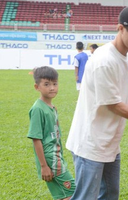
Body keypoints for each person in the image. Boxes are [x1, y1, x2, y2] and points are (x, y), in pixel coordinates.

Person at [66, 6, 128, 200]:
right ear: (121, 28)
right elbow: (113, 105)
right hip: (91, 144)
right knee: (85, 197)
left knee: (109, 195)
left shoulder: (126, 58)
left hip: (110, 144)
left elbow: (125, 98)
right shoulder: (104, 61)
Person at [27, 66, 75, 200]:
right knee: (72, 192)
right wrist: (43, 166)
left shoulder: (52, 107)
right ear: (37, 87)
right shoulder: (37, 109)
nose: (52, 88)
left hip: (57, 156)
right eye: (46, 84)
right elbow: (36, 138)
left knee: (62, 194)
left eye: (55, 83)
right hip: (51, 159)